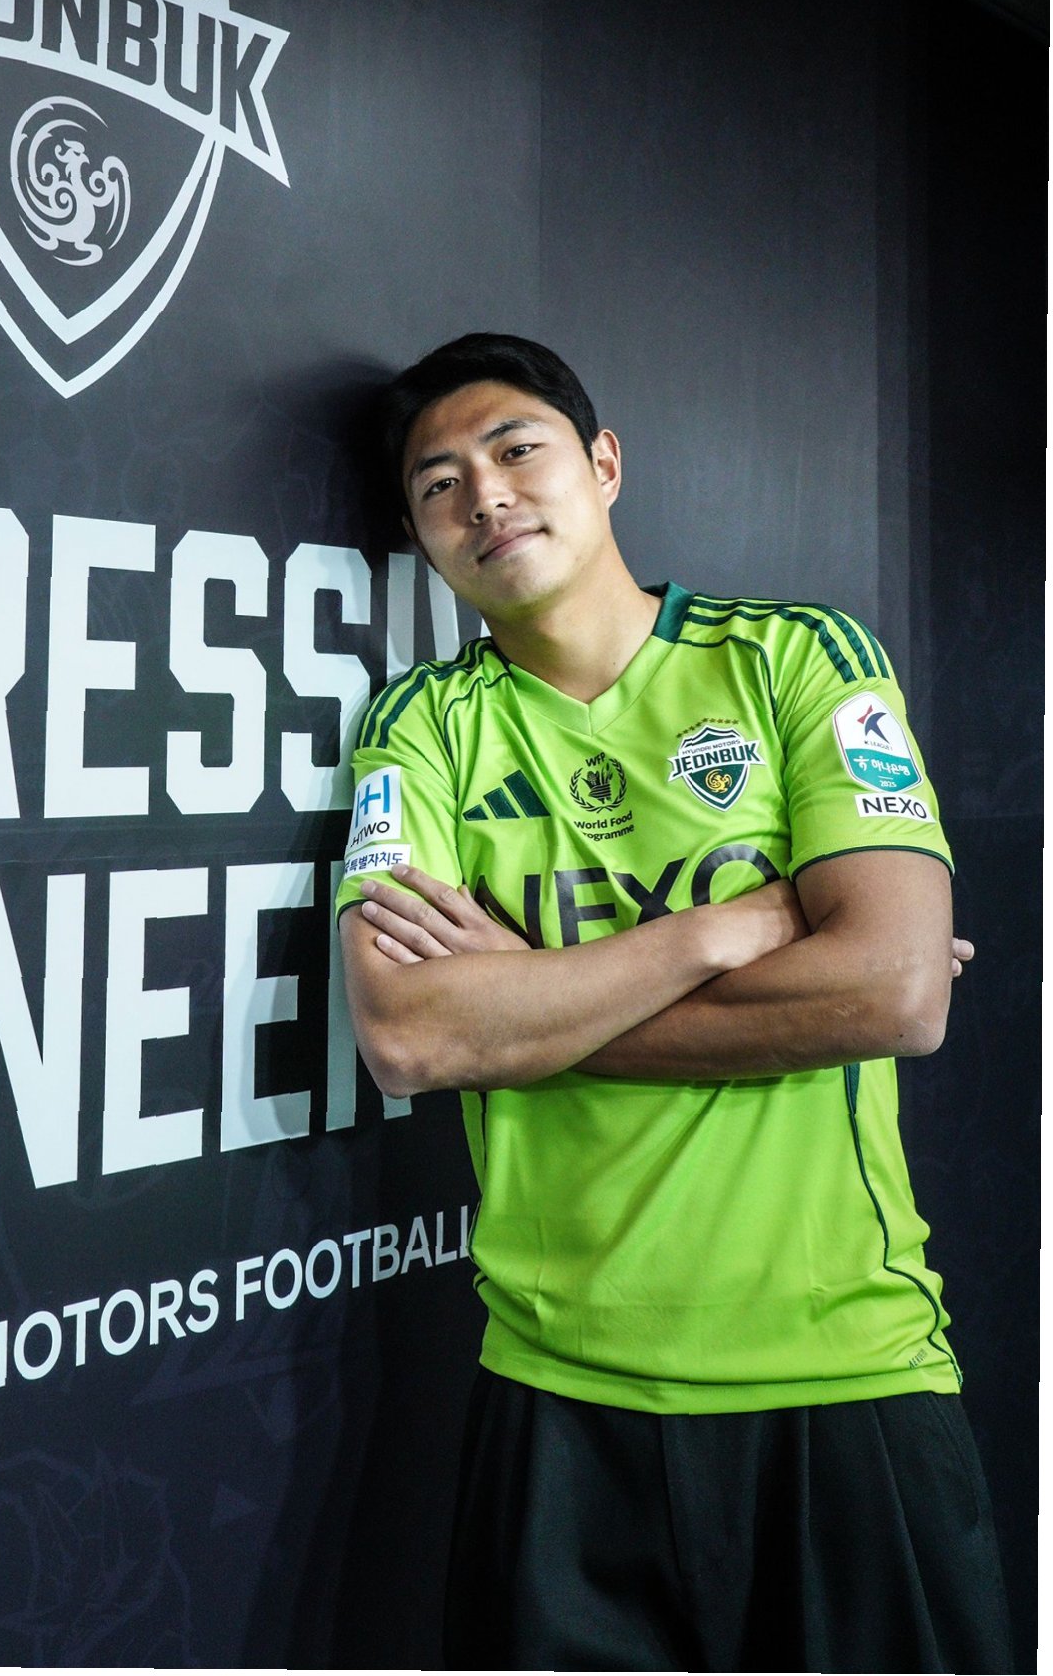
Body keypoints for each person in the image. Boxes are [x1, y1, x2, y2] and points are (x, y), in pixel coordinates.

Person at [335, 331, 1013, 1673]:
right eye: (439, 485)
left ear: (603, 464)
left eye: (516, 450)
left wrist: (528, 1013)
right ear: (420, 537)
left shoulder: (794, 658)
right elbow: (413, 1035)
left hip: (844, 1372)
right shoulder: (422, 725)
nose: (485, 497)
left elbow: (894, 992)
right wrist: (720, 932)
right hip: (557, 1393)